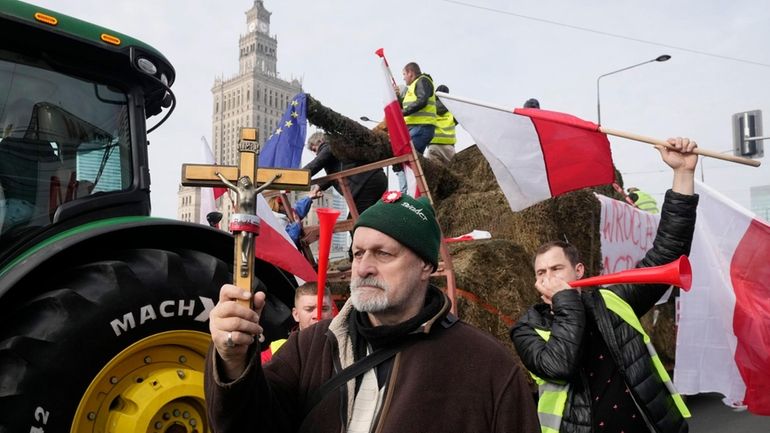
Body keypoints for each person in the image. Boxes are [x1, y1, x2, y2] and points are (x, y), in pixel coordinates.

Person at [205, 191, 540, 433]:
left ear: (426, 266)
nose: (363, 268)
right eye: (358, 253)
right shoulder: (311, 347)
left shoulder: (487, 368)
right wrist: (232, 362)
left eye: (383, 254)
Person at [511, 137, 699, 433]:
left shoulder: (613, 300)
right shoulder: (526, 327)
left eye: (558, 268)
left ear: (580, 271)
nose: (549, 278)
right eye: (542, 273)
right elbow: (560, 366)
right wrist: (566, 301)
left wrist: (683, 174)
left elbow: (668, 252)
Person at [261, 282, 334, 363]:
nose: (317, 315)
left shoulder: (345, 347)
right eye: (309, 309)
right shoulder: (277, 350)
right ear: (296, 314)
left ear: (332, 313)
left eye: (324, 309)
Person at [396, 62, 437, 194]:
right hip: (418, 128)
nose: (403, 78)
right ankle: (416, 193)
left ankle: (414, 194)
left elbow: (422, 100)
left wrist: (403, 112)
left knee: (409, 160)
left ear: (410, 73)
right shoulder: (413, 86)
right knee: (411, 162)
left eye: (404, 74)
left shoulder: (422, 81)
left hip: (421, 127)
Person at [425, 84, 457, 164]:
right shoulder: (453, 110)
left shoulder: (430, 108)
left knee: (433, 174)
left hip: (433, 146)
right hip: (449, 148)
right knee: (453, 174)